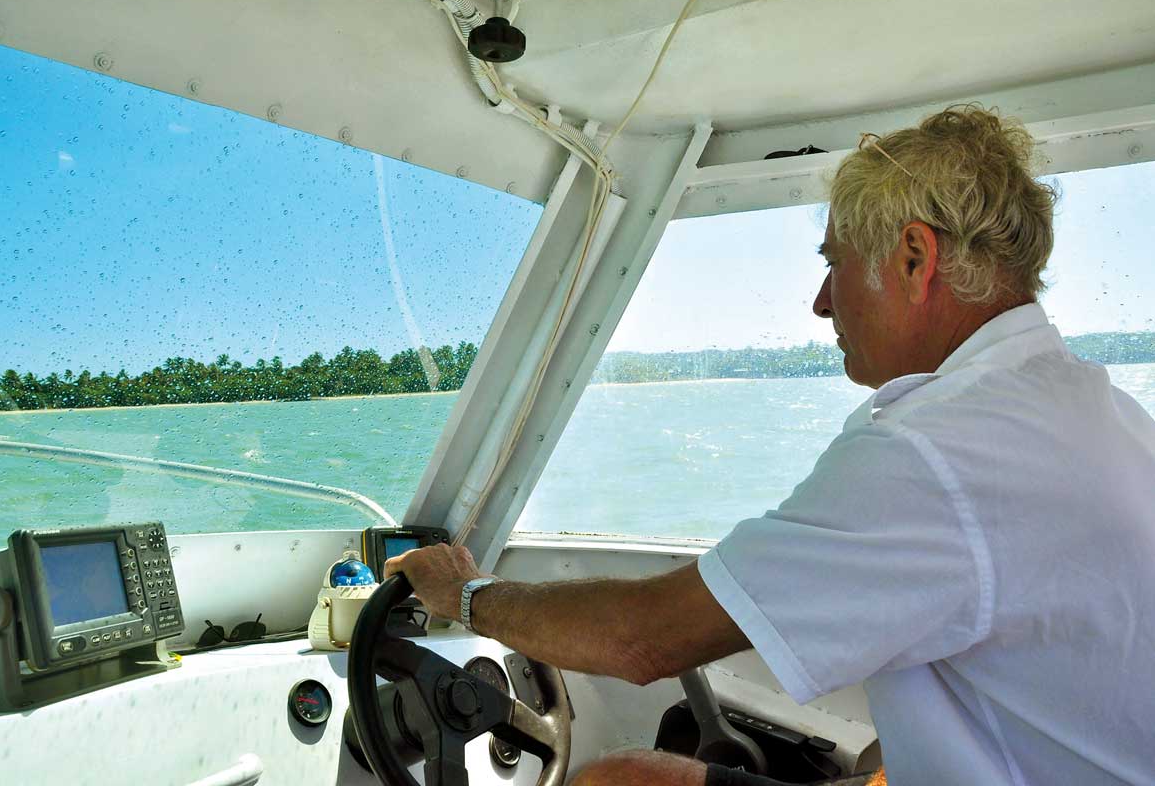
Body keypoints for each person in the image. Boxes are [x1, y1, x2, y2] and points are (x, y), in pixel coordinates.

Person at [384, 105, 1155, 785]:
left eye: (835, 264)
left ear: (915, 259)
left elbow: (642, 641)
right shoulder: (1099, 414)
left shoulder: (940, 448)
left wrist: (466, 595)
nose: (820, 302)